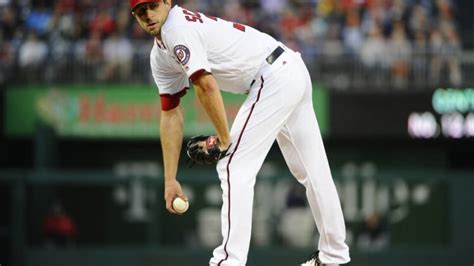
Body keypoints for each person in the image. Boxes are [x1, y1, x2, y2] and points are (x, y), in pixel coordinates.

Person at [129, 0, 350, 265]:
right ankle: (333, 255)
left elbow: (206, 86)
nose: (149, 15)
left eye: (153, 5)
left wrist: (224, 140)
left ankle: (228, 261)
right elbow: (170, 114)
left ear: (167, 2)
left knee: (232, 164)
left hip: (272, 76)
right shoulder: (160, 54)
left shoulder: (176, 28)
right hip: (287, 68)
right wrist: (170, 179)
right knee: (311, 170)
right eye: (141, 11)